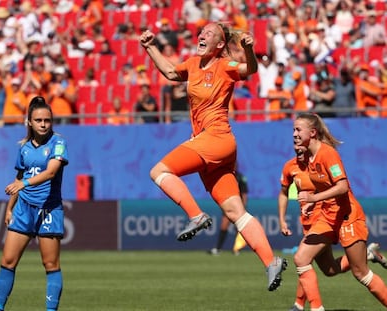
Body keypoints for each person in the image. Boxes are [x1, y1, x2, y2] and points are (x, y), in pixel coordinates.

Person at [140, 22, 287, 291]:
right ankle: (271, 261)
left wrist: (249, 51)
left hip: (216, 138)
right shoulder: (194, 64)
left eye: (209, 33)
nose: (202, 35)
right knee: (236, 212)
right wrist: (150, 47)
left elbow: (249, 69)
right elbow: (171, 72)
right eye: (201, 32)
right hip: (216, 147)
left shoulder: (224, 65)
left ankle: (196, 216)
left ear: (220, 44)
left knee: (159, 172)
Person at [292, 112, 387, 310]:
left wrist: (313, 198)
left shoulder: (328, 153)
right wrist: (314, 202)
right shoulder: (309, 157)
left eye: (298, 129)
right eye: (294, 129)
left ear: (313, 132)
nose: (294, 134)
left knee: (360, 273)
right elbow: (323, 185)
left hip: (347, 217)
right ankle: (368, 255)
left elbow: (342, 186)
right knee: (320, 266)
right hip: (327, 216)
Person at [0, 96, 69, 311]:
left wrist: (23, 183)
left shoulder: (59, 143)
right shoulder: (24, 148)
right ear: (30, 123)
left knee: (51, 265)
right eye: (39, 120)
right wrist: (9, 209)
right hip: (24, 208)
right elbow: (18, 181)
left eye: (47, 120)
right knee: (7, 261)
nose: (43, 124)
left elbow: (51, 172)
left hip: (49, 210)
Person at [209, 166, 249, 256]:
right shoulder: (226, 177)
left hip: (238, 207)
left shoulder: (240, 178)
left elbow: (244, 194)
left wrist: (243, 206)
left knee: (239, 228)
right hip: (228, 206)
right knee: (224, 226)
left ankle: (237, 249)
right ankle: (218, 249)